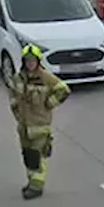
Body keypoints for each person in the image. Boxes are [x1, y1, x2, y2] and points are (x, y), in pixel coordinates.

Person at [10, 44, 70, 199]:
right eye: (28, 60)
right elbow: (13, 94)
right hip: (23, 126)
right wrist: (16, 111)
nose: (30, 63)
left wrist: (49, 104)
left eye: (33, 61)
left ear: (38, 61)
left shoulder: (45, 77)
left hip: (39, 126)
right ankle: (31, 182)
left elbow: (63, 90)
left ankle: (37, 187)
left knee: (38, 157)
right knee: (28, 156)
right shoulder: (18, 78)